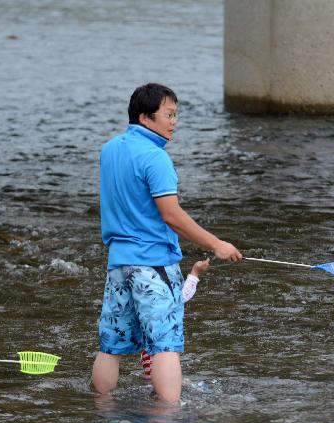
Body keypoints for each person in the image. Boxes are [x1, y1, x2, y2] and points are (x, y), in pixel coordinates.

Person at [92, 83, 242, 404]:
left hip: (118, 264)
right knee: (164, 346)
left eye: (176, 115)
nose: (174, 122)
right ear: (146, 117)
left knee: (111, 346)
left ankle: (102, 412)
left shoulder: (110, 150)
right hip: (154, 264)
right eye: (169, 115)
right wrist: (216, 244)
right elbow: (171, 215)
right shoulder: (156, 158)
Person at [140, 258, 210, 380]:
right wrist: (195, 272)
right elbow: (185, 293)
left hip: (148, 350)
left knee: (150, 376)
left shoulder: (141, 300)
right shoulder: (170, 299)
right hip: (167, 347)